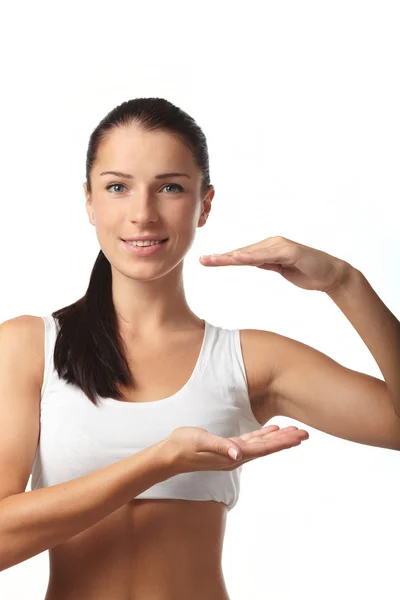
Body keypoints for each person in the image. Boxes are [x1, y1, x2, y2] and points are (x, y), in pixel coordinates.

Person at [1, 97, 398, 599]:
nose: (142, 214)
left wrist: (346, 283)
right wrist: (161, 460)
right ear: (89, 201)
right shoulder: (28, 348)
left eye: (169, 187)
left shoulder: (249, 360)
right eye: (117, 187)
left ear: (205, 204)